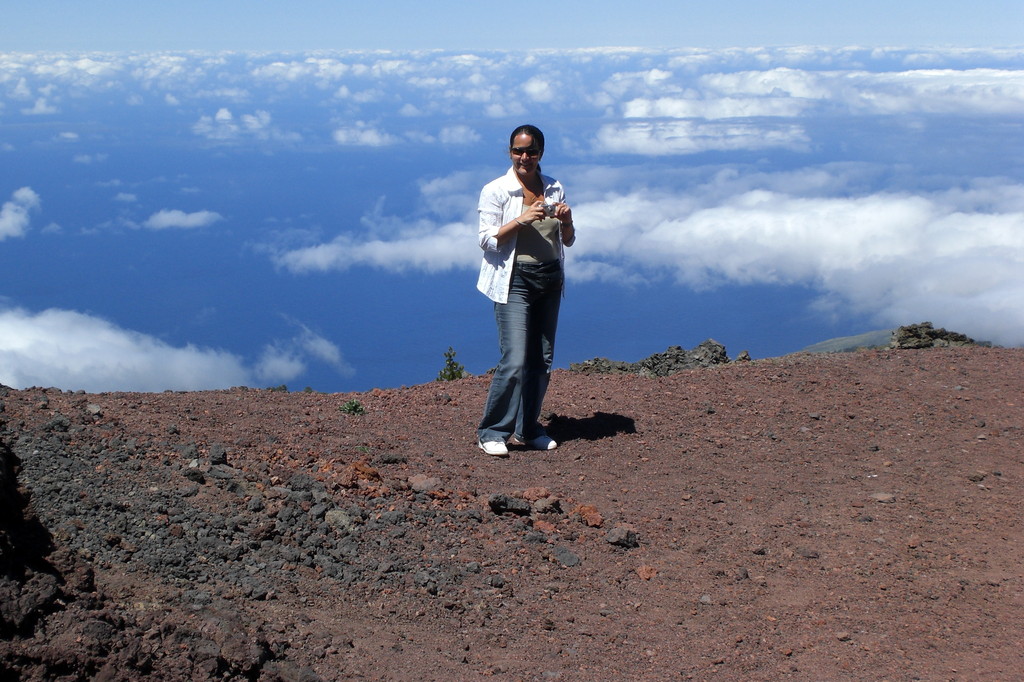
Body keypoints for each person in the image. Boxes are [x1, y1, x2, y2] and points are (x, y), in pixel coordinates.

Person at [476, 124, 576, 457]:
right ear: (509, 152)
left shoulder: (554, 187)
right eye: (518, 151)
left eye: (531, 151)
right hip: (513, 279)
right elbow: (487, 240)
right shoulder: (497, 190)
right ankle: (493, 431)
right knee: (515, 358)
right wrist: (522, 218)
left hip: (549, 279)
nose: (524, 157)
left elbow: (568, 240)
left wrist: (566, 220)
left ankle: (528, 427)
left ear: (540, 154)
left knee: (541, 359)